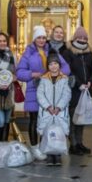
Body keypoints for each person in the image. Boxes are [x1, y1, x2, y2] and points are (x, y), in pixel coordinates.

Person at [17, 26, 71, 159]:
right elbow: (19, 72)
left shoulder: (51, 51)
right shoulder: (28, 52)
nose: (41, 40)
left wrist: (58, 73)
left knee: (48, 120)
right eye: (39, 38)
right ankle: (35, 148)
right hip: (34, 90)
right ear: (34, 39)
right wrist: (32, 74)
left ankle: (46, 145)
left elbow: (66, 67)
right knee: (35, 119)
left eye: (43, 38)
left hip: (51, 91)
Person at [62, 26, 92, 155]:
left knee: (82, 117)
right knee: (73, 117)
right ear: (75, 38)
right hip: (74, 90)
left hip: (86, 90)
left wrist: (90, 82)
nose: (82, 40)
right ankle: (73, 144)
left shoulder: (89, 53)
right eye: (80, 37)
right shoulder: (68, 52)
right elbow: (67, 71)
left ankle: (80, 142)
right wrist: (78, 84)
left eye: (84, 38)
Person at [37, 54, 71, 166]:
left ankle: (58, 155)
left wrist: (59, 107)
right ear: (48, 66)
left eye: (55, 63)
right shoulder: (43, 79)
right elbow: (40, 94)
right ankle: (49, 155)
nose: (53, 66)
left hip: (60, 111)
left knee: (59, 134)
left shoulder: (64, 79)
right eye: (50, 64)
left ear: (59, 65)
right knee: (47, 133)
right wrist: (48, 106)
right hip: (47, 111)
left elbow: (66, 94)